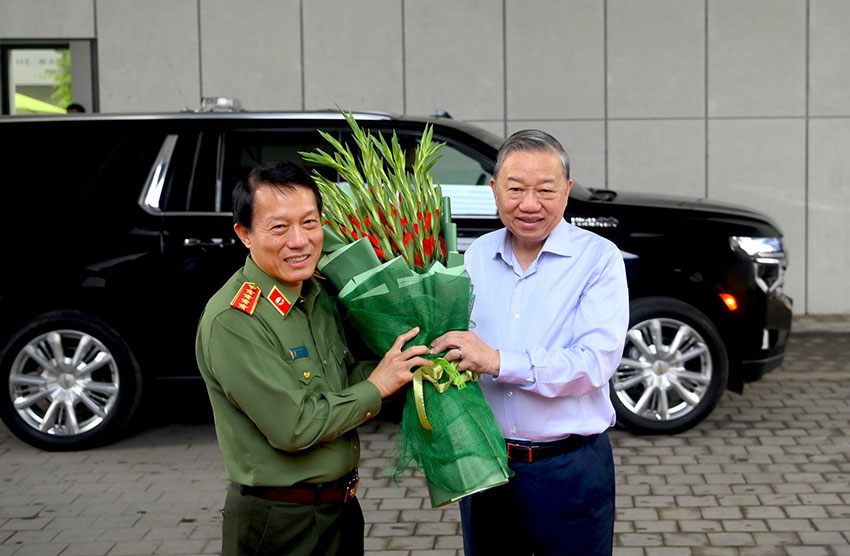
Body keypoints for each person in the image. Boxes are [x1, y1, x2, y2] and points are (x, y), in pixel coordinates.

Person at [196, 161, 430, 556]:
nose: (299, 241)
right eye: (279, 227)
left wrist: (407, 366)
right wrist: (378, 385)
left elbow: (339, 383)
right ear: (245, 234)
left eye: (309, 223)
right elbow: (295, 426)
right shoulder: (235, 320)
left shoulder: (315, 295)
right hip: (281, 523)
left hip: (339, 511)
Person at [430, 130, 629, 555]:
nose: (529, 204)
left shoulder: (598, 259)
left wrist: (498, 361)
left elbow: (594, 363)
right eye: (516, 189)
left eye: (545, 190)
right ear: (494, 190)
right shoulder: (476, 255)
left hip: (568, 469)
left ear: (567, 191)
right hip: (486, 465)